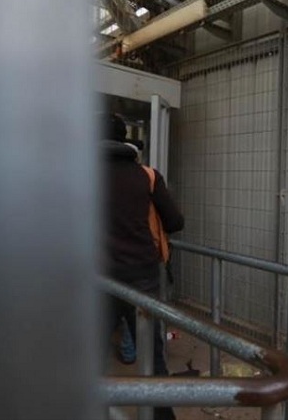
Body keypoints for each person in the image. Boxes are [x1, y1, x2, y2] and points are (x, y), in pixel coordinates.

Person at [103, 113, 184, 420]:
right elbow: (175, 222)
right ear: (125, 139)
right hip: (141, 276)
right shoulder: (148, 176)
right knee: (152, 357)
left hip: (97, 278)